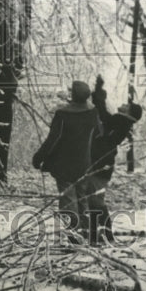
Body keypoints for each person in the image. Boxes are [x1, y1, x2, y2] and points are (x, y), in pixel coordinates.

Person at [32, 80, 102, 244]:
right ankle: (88, 236)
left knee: (68, 202)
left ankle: (73, 239)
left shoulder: (62, 114)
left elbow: (53, 140)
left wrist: (39, 158)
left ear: (73, 95)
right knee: (82, 199)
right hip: (85, 163)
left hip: (64, 165)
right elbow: (99, 134)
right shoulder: (93, 112)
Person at [89, 76, 143, 242]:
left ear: (128, 113)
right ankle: (101, 234)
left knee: (95, 201)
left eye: (127, 105)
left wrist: (99, 95)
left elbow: (103, 116)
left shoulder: (120, 122)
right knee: (95, 200)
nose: (124, 104)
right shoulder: (121, 123)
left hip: (100, 165)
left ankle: (101, 235)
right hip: (102, 165)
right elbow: (104, 116)